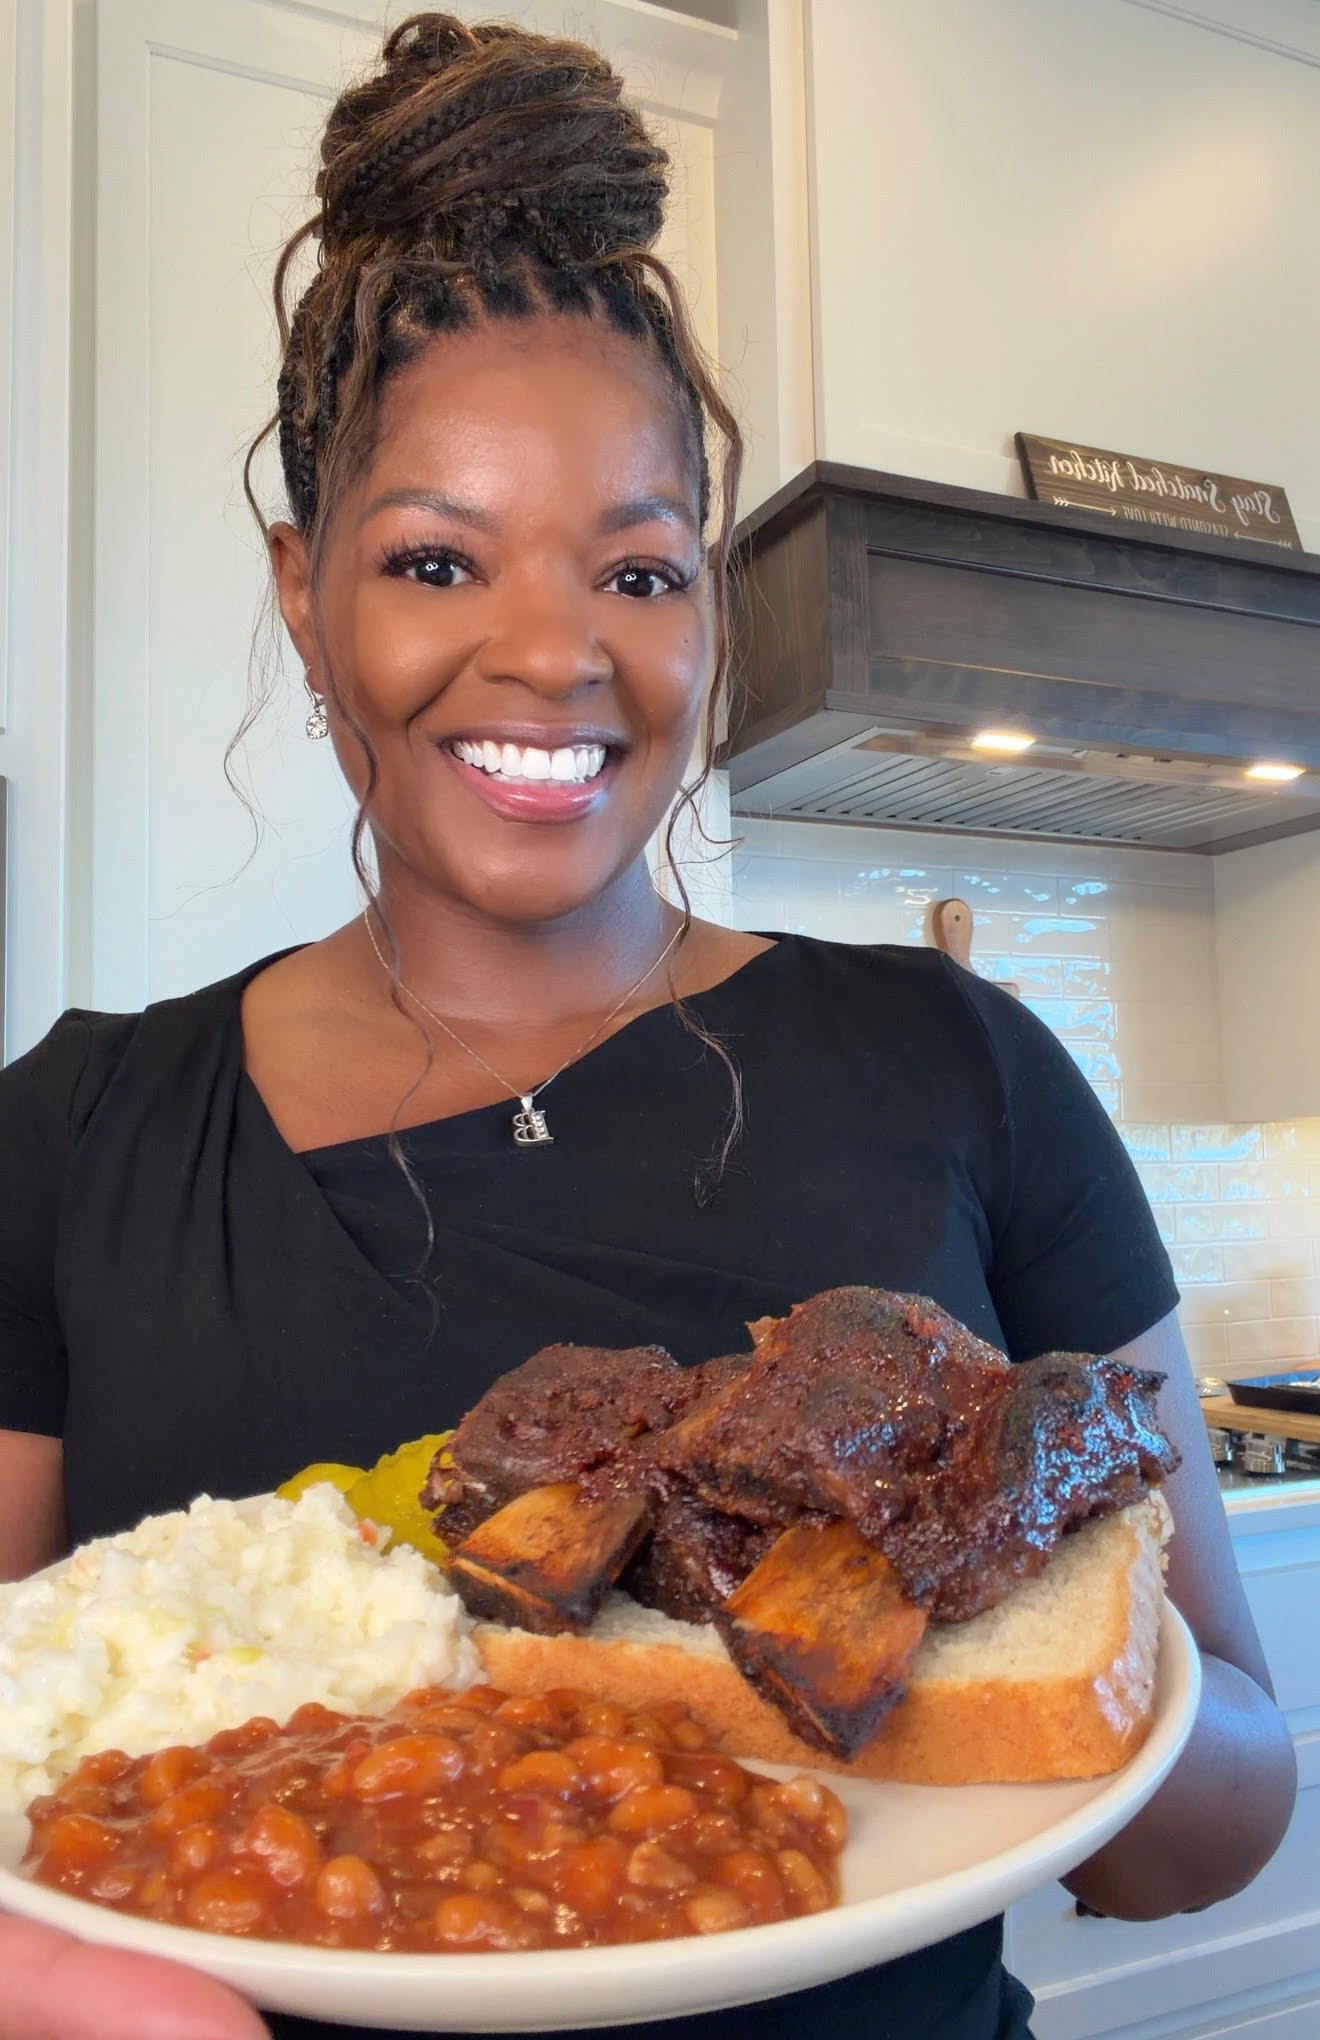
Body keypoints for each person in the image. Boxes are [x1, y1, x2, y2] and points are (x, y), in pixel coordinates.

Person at [0, 14, 1297, 2040]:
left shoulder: (966, 1066)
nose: (551, 649)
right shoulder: (73, 1134)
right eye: (438, 557)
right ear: (304, 590)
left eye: (638, 565)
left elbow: (1210, 1827)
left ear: (706, 612)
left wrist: (1044, 1553)